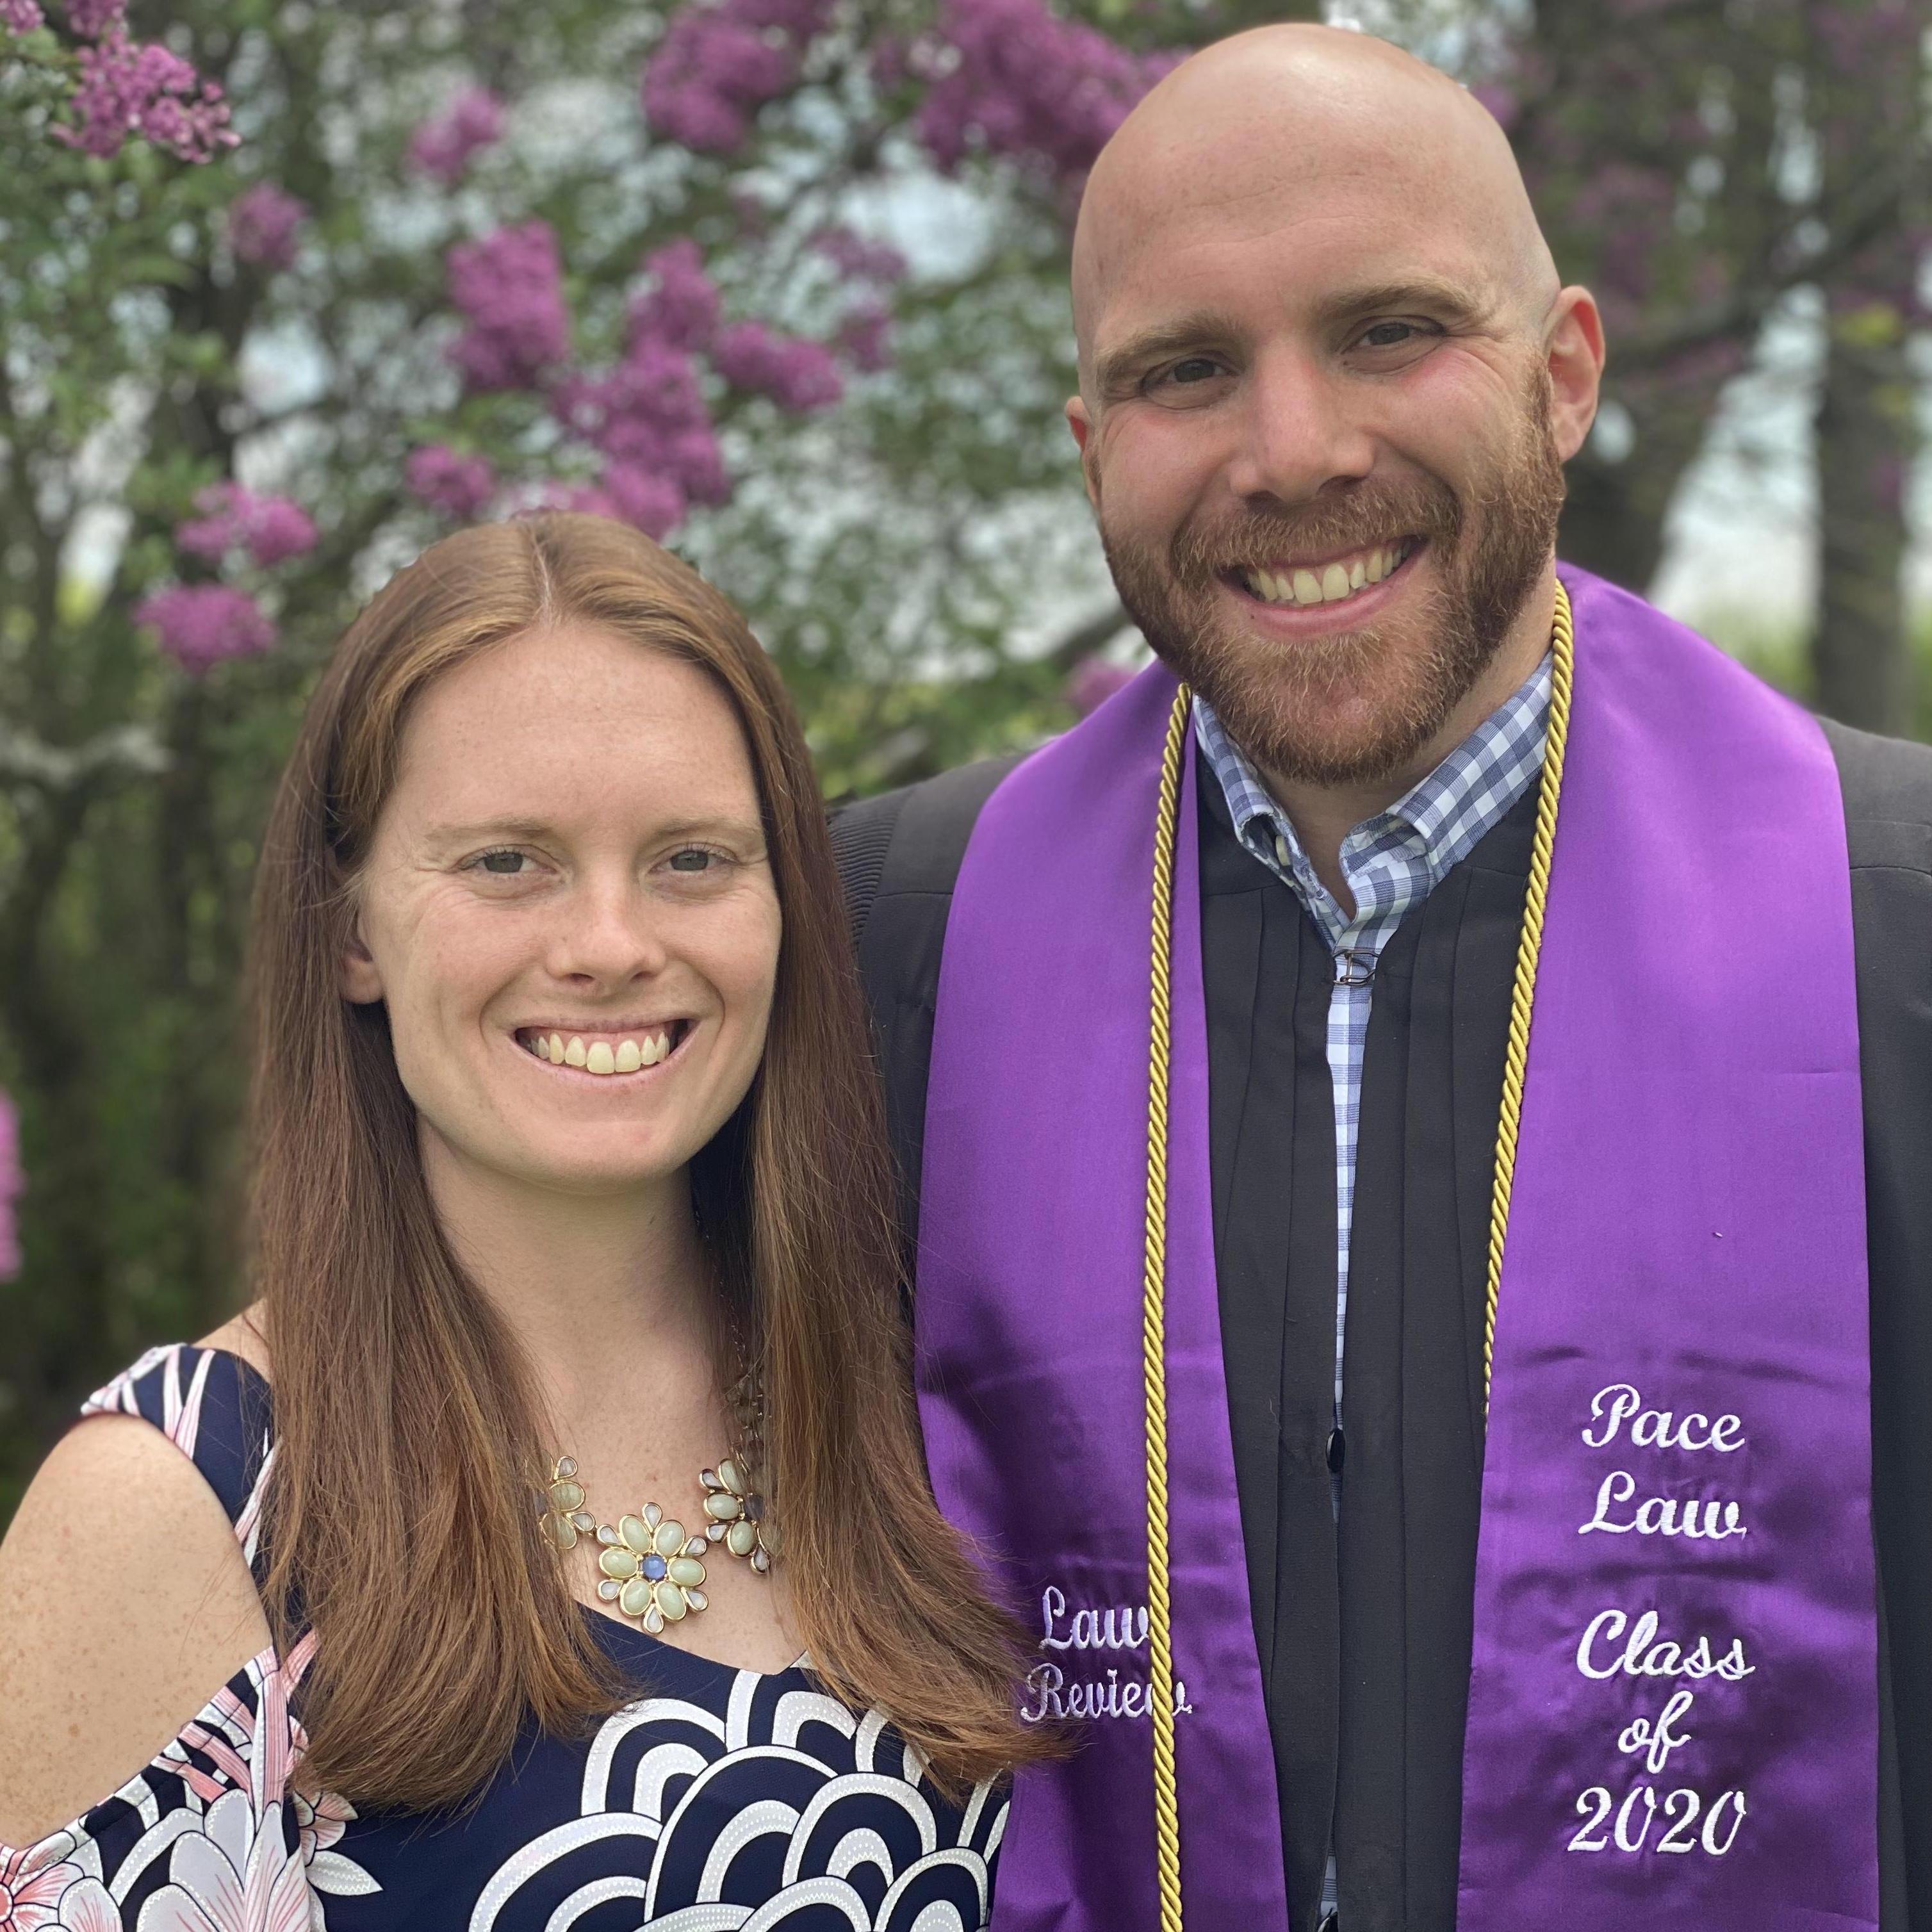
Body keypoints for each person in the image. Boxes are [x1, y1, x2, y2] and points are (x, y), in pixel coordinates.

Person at [831, 24, 1931, 1932]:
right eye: (1185, 372)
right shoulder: (898, 936)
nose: (1296, 451)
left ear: (1564, 373)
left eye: (1389, 332)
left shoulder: (1896, 917)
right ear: (1096, 446)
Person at [0, 513, 1046, 1928]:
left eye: (692, 858)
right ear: (354, 926)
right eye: (507, 861)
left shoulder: (914, 1409)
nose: (611, 944)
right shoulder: (185, 1503)